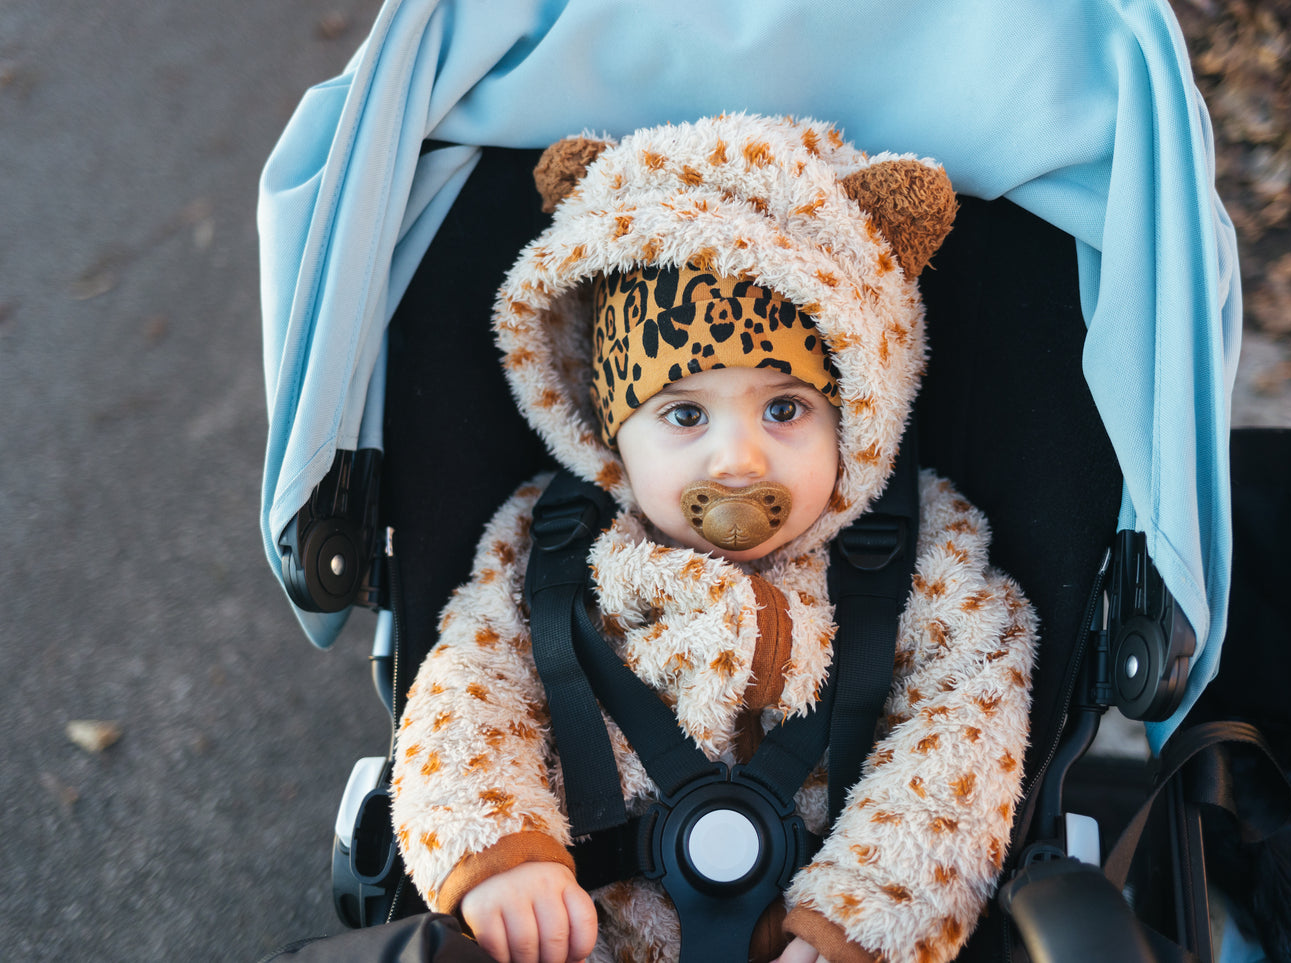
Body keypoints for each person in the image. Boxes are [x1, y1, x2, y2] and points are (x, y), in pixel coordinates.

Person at [391, 113, 1038, 963]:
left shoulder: (923, 554)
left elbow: (963, 729)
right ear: (609, 426)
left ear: (857, 410)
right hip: (586, 932)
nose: (737, 459)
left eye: (785, 407)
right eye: (684, 414)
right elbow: (468, 695)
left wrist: (860, 922)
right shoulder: (548, 545)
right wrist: (501, 854)